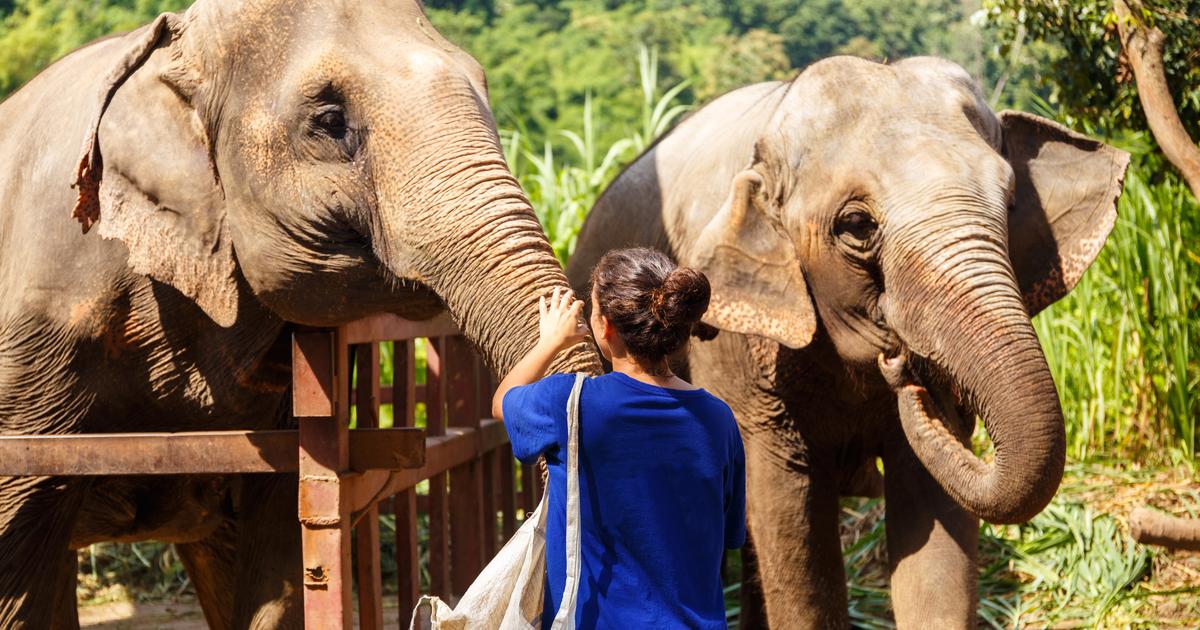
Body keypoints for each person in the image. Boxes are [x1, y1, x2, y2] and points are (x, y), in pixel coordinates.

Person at [492, 247, 746, 629]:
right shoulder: (718, 419)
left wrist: (550, 342)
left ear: (604, 326)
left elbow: (502, 402)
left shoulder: (569, 403)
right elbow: (728, 534)